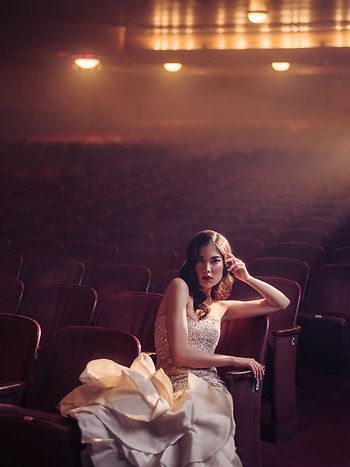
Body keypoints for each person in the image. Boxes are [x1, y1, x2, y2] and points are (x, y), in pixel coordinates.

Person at [60, 230, 290, 467]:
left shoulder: (222, 308)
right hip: (169, 382)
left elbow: (281, 303)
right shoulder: (178, 287)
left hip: (209, 387)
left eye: (215, 261)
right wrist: (234, 359)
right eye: (200, 260)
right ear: (191, 264)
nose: (207, 269)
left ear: (226, 264)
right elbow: (180, 354)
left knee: (202, 419)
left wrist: (247, 277)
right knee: (174, 424)